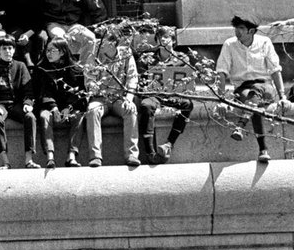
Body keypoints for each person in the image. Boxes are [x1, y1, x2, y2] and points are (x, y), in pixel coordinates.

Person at [215, 13, 285, 163]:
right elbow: (221, 72)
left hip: (265, 86)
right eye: (236, 28)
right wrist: (221, 99)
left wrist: (283, 96)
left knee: (255, 94)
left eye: (241, 28)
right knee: (252, 99)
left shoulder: (264, 42)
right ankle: (263, 150)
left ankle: (241, 126)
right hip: (243, 88)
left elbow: (275, 70)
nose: (237, 31)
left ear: (251, 31)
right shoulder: (229, 44)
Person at [135, 26, 195, 164]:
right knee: (146, 105)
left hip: (174, 94)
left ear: (173, 40)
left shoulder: (182, 58)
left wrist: (172, 101)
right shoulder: (147, 59)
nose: (163, 39)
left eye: (166, 37)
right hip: (154, 95)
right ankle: (150, 152)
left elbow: (187, 84)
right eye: (160, 37)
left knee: (188, 104)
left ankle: (169, 144)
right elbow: (142, 85)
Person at [83, 28, 141, 167]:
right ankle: (95, 156)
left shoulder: (126, 54)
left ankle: (132, 155)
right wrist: (93, 86)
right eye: (100, 41)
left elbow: (132, 78)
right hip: (100, 98)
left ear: (114, 43)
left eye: (105, 42)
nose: (100, 44)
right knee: (92, 110)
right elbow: (88, 79)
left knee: (131, 111)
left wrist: (129, 98)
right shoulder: (94, 55)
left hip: (119, 98)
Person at [0, 34, 39, 169]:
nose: (7, 51)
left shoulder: (21, 66)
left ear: (14, 50)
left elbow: (28, 91)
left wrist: (27, 104)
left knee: (30, 117)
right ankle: (5, 161)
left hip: (16, 104)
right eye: (4, 49)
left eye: (10, 48)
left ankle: (29, 159)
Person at [32, 38, 87, 168]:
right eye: (47, 50)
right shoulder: (41, 69)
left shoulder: (76, 69)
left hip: (69, 107)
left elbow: (79, 94)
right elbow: (42, 92)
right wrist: (53, 107)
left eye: (52, 51)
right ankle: (50, 156)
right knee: (44, 116)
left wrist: (69, 107)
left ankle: (71, 156)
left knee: (79, 116)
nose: (48, 54)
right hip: (49, 106)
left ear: (62, 52)